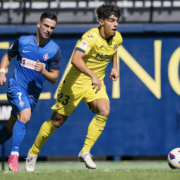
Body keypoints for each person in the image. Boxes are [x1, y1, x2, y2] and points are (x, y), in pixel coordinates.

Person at [25, 4, 122, 171]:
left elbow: (114, 49)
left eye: (117, 21)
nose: (115, 24)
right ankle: (32, 154)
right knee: (57, 121)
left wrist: (115, 67)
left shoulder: (117, 37)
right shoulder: (90, 38)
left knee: (104, 109)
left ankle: (85, 152)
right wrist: (92, 75)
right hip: (74, 84)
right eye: (111, 21)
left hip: (94, 84)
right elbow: (76, 59)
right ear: (101, 21)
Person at [0, 12, 61, 172]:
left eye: (52, 28)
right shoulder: (22, 41)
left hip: (33, 95)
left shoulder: (54, 50)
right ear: (38, 24)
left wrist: (44, 71)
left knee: (12, 126)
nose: (48, 29)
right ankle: (14, 156)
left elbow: (54, 78)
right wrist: (1, 71)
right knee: (25, 115)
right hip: (16, 87)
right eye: (46, 25)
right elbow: (7, 56)